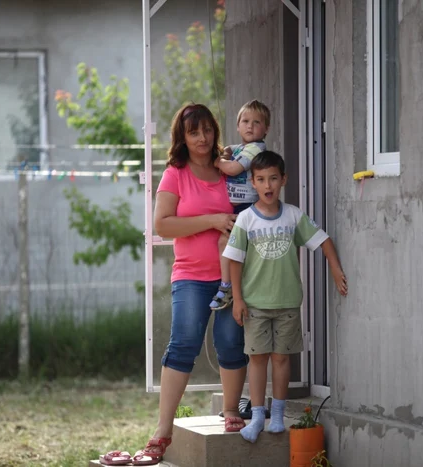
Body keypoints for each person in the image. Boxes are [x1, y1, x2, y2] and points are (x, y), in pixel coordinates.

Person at [100, 103, 248, 466]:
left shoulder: (228, 170)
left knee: (231, 342)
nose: (203, 138)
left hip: (232, 274)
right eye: (194, 132)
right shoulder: (175, 174)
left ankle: (231, 412)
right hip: (191, 276)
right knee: (183, 344)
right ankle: (162, 430)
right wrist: (212, 219)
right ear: (182, 137)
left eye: (208, 130)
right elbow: (162, 225)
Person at [223, 150, 348, 444]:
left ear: (284, 180)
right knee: (257, 360)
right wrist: (238, 300)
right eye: (261, 179)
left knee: (281, 360)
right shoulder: (245, 220)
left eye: (273, 179)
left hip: (288, 304)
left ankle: (277, 416)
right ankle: (256, 417)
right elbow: (234, 261)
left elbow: (324, 240)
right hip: (254, 305)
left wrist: (335, 268)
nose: (268, 185)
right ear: (253, 182)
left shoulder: (294, 215)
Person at [209, 99, 270, 311]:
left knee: (225, 243)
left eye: (256, 122)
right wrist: (225, 153)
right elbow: (228, 150)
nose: (249, 126)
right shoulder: (242, 147)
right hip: (236, 207)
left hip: (246, 207)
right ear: (237, 125)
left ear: (266, 129)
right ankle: (232, 285)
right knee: (228, 245)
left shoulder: (256, 149)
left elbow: (234, 168)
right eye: (245, 121)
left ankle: (227, 287)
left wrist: (218, 162)